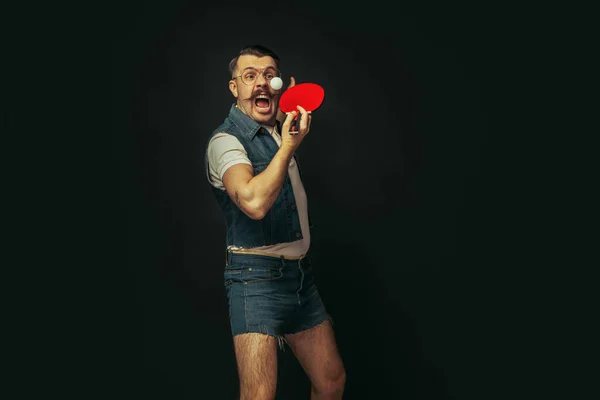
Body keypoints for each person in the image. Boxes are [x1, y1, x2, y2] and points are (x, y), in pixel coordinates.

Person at [204, 45, 346, 399]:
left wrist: (284, 137)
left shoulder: (276, 132)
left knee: (330, 383)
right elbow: (252, 202)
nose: (262, 84)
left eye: (269, 75)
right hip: (254, 281)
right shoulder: (225, 142)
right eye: (250, 76)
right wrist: (288, 147)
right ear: (234, 88)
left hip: (300, 279)